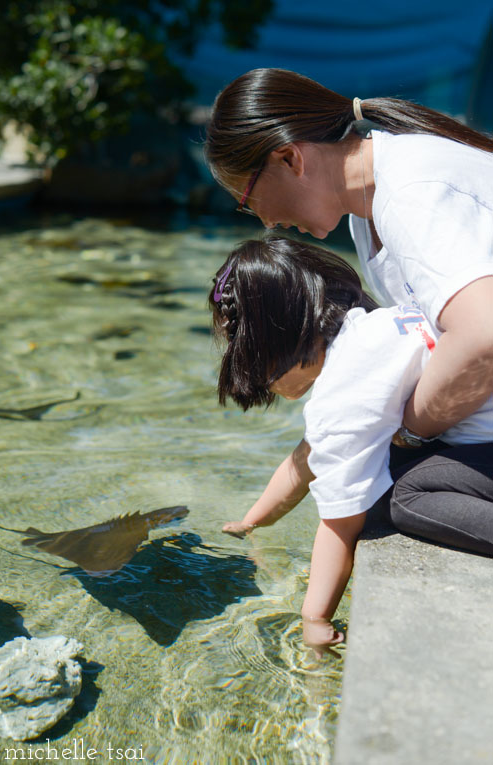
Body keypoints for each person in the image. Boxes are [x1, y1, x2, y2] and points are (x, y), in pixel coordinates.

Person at [204, 67, 493, 552]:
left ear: (289, 158)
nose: (268, 222)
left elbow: (483, 336)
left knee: (399, 495)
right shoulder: (373, 203)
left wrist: (408, 433)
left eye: (249, 201)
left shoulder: (409, 195)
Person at [209, 237, 493, 652]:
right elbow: (308, 459)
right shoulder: (367, 331)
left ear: (274, 342)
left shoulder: (343, 393)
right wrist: (253, 522)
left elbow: (340, 525)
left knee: (402, 497)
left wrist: (314, 617)